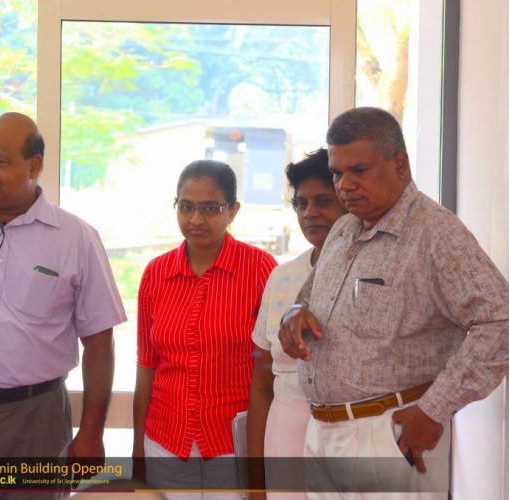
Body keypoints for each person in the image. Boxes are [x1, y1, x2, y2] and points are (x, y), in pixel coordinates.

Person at [279, 107, 509, 499]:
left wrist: (435, 408)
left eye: (359, 170)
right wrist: (295, 313)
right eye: (337, 173)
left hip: (390, 435)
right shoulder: (343, 229)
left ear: (400, 164)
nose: (345, 185)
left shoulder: (435, 233)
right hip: (322, 435)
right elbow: (309, 297)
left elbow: (499, 321)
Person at [0, 112, 127, 499]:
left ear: (34, 166)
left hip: (36, 420)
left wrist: (91, 433)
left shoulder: (76, 238)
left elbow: (99, 342)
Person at [133, 160, 277, 499]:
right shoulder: (156, 273)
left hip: (233, 444)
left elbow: (273, 368)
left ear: (233, 210)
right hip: (165, 442)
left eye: (210, 208)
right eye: (186, 207)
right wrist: (138, 447)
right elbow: (147, 365)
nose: (196, 219)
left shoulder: (260, 269)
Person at [246, 149, 346, 499]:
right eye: (301, 203)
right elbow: (261, 386)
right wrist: (255, 483)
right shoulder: (282, 277)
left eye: (323, 201)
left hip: (346, 437)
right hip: (285, 431)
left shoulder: (370, 274)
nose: (310, 213)